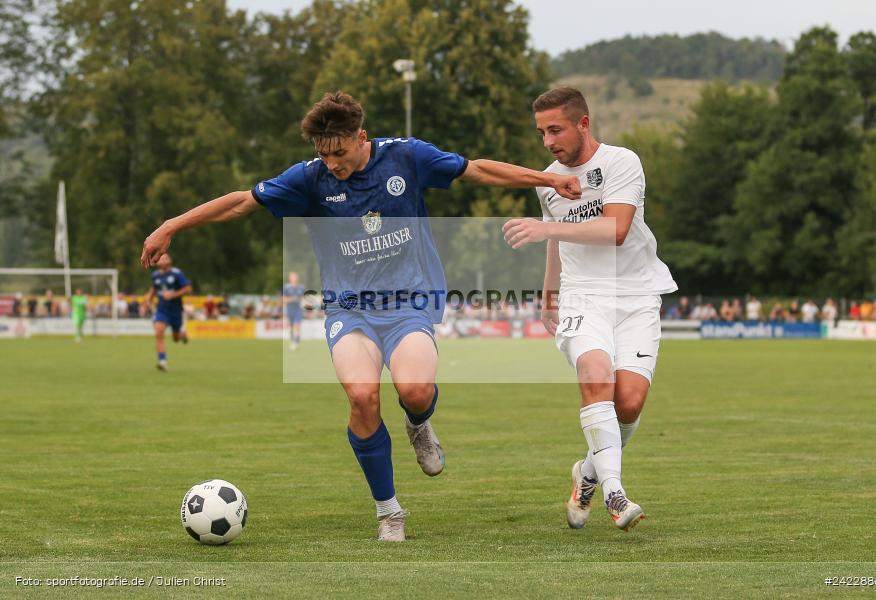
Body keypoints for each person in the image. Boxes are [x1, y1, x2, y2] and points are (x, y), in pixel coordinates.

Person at [140, 91, 581, 542]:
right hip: (349, 308)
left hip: (410, 301)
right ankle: (389, 511)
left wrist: (544, 181)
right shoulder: (310, 179)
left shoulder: (407, 157)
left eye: (339, 152)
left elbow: (477, 169)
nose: (332, 163)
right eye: (322, 154)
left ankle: (418, 423)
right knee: (362, 397)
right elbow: (240, 202)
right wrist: (169, 226)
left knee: (414, 390)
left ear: (361, 138)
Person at [501, 86, 677, 532]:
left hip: (636, 295)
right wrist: (549, 295)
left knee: (630, 404)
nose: (548, 141)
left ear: (583, 123)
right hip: (583, 295)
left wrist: (545, 228)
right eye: (541, 132)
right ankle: (615, 494)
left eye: (555, 129)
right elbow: (557, 241)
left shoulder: (622, 162)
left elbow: (616, 228)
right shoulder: (549, 180)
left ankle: (588, 474)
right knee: (595, 374)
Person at [143, 253, 192, 371]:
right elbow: (154, 289)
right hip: (162, 310)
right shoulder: (155, 275)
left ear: (170, 260)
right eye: (160, 258)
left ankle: (182, 334)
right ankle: (162, 361)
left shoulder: (177, 273)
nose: (162, 260)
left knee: (175, 338)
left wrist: (173, 295)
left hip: (175, 311)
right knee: (159, 332)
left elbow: (188, 288)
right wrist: (148, 299)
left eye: (165, 258)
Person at [282, 271, 305, 351]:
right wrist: (292, 299)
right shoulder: (286, 287)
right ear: (290, 278)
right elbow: (284, 299)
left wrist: (301, 301)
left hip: (298, 309)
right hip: (289, 309)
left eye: (295, 277)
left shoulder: (301, 287)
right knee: (291, 327)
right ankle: (293, 341)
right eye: (292, 277)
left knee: (297, 325)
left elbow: (302, 298)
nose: (294, 278)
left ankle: (296, 341)